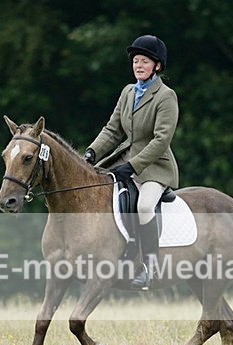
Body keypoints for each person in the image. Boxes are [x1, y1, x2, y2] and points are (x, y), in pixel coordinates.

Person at [84, 35, 179, 290]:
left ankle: (149, 267)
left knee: (145, 206)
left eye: (144, 61)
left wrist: (134, 165)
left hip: (155, 168)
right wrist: (92, 152)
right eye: (135, 61)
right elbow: (113, 130)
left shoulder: (166, 96)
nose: (138, 65)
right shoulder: (128, 92)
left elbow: (161, 140)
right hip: (124, 162)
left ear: (157, 66)